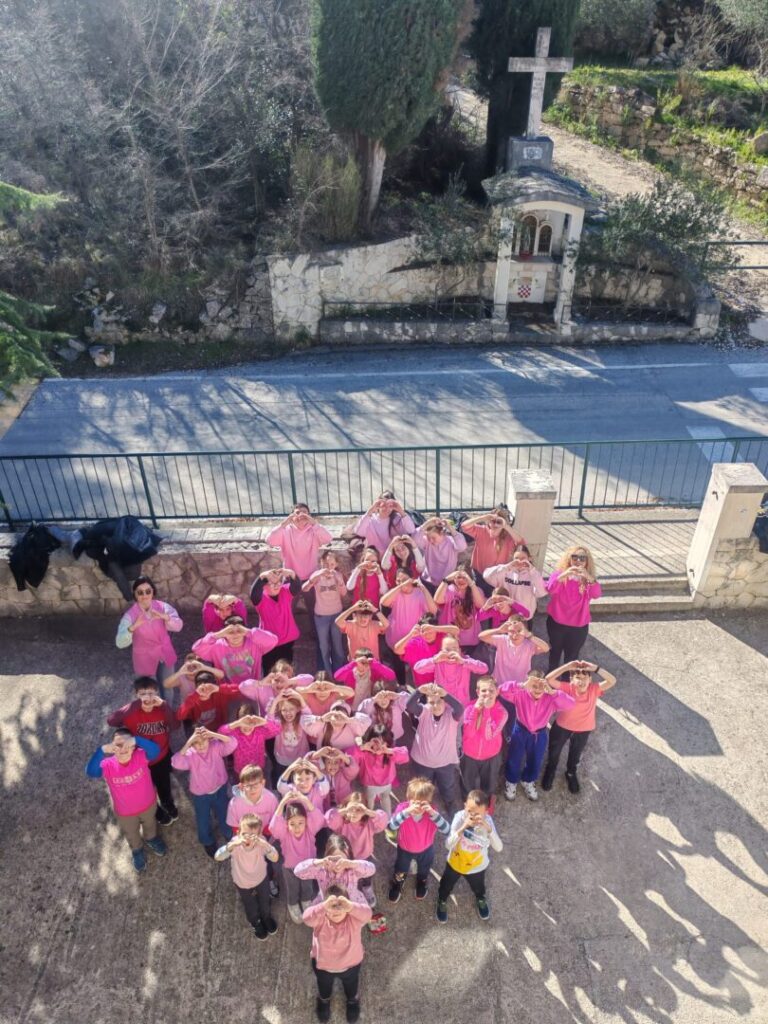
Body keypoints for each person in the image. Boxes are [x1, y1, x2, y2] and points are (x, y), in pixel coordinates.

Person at [85, 728, 168, 872]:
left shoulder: (141, 755)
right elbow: (91, 772)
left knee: (150, 824)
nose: (123, 748)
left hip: (148, 805)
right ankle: (136, 849)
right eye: (118, 744)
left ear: (134, 746)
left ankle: (151, 838)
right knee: (131, 833)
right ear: (112, 747)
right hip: (125, 813)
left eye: (128, 743)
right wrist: (102, 750)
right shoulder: (108, 764)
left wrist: (136, 740)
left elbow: (155, 751)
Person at [107, 676, 179, 826]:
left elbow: (175, 725)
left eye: (151, 693)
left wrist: (164, 705)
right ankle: (157, 812)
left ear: (157, 693)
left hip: (162, 756)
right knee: (146, 790)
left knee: (164, 784)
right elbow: (111, 721)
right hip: (141, 761)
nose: (147, 698)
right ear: (136, 695)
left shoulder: (162, 709)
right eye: (142, 694)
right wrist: (135, 704)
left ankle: (168, 803)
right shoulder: (131, 711)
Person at [499, 671, 575, 803]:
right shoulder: (520, 693)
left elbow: (570, 704)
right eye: (534, 685)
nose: (538, 689)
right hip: (520, 730)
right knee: (514, 758)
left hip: (539, 734)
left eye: (541, 686)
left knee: (536, 759)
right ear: (528, 684)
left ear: (546, 685)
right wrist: (522, 685)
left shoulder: (551, 698)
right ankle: (511, 781)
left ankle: (528, 780)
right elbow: (501, 690)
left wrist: (553, 692)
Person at [542, 659, 617, 793]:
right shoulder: (567, 688)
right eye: (578, 678)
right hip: (562, 727)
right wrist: (567, 666)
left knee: (575, 754)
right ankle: (550, 770)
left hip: (583, 730)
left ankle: (571, 773)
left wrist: (596, 668)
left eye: (585, 678)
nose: (581, 681)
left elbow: (612, 681)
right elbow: (548, 679)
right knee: (554, 752)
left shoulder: (594, 689)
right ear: (572, 679)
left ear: (590, 680)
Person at [302, 885, 372, 1024]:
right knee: (324, 986)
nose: (336, 910)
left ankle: (352, 1000)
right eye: (331, 906)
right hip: (323, 967)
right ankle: (324, 1000)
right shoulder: (320, 919)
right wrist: (323, 907)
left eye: (341, 906)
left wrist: (351, 906)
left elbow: (367, 914)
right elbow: (306, 918)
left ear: (348, 908)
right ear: (325, 908)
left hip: (351, 966)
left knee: (351, 985)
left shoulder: (354, 920)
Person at [436, 789, 503, 924]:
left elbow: (499, 847)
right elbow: (448, 845)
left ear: (486, 812)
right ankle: (442, 900)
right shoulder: (459, 817)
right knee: (445, 885)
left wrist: (489, 830)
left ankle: (480, 898)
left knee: (479, 887)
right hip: (455, 863)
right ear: (465, 805)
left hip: (476, 866)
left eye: (478, 814)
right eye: (469, 811)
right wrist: (462, 827)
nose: (472, 816)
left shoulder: (488, 821)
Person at [171, 725, 237, 857]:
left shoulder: (216, 746)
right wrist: (188, 743)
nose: (201, 745)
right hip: (201, 795)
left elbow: (232, 743)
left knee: (224, 813)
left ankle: (228, 833)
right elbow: (175, 762)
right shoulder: (190, 754)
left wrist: (213, 734)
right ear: (191, 743)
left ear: (209, 739)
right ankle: (207, 841)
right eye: (196, 742)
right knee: (203, 820)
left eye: (204, 740)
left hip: (220, 789)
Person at [215, 813, 280, 940]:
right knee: (250, 904)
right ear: (238, 833)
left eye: (253, 835)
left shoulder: (261, 843)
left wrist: (265, 845)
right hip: (242, 882)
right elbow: (218, 857)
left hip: (261, 878)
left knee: (265, 900)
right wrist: (231, 846)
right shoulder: (235, 845)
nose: (248, 839)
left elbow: (275, 858)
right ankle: (255, 922)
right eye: (244, 834)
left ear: (259, 836)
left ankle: (266, 917)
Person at [387, 777, 451, 904]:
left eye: (423, 803)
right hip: (404, 849)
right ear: (408, 799)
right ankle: (397, 885)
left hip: (426, 849)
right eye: (415, 802)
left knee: (424, 868)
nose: (419, 806)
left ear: (429, 801)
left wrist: (433, 814)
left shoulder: (432, 813)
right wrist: (406, 812)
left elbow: (447, 830)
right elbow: (391, 826)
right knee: (401, 868)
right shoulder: (402, 809)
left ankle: (421, 882)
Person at [115, 576, 183, 695]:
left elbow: (178, 626)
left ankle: (168, 707)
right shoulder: (129, 616)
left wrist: (166, 617)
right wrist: (133, 627)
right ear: (135, 594)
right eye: (140, 592)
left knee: (168, 687)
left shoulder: (163, 607)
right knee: (149, 692)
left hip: (165, 653)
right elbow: (120, 643)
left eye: (148, 591)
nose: (145, 595)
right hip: (144, 658)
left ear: (153, 592)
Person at [269, 788, 326, 923]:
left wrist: (305, 800)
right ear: (286, 824)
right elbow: (273, 827)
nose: (297, 827)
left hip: (308, 866)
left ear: (306, 821)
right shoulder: (284, 833)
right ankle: (293, 904)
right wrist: (282, 803)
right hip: (290, 868)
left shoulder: (310, 830)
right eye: (292, 824)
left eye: (301, 823)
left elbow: (318, 819)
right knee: (292, 887)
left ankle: (306, 901)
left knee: (307, 886)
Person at [406, 683, 464, 815]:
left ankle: (449, 803)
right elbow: (410, 706)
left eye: (439, 701)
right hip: (422, 762)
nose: (435, 705)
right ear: (427, 703)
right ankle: (424, 805)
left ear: (445, 702)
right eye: (431, 702)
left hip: (445, 763)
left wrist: (445, 694)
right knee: (424, 786)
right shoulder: (424, 711)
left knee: (447, 786)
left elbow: (459, 708)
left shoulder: (452, 715)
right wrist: (419, 690)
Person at [325, 792, 388, 908]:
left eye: (358, 810)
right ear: (345, 808)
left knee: (366, 875)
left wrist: (368, 812)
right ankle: (349, 890)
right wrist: (344, 811)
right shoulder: (341, 822)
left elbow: (383, 820)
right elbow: (329, 819)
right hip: (345, 857)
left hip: (364, 856)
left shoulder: (369, 822)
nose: (354, 813)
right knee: (346, 876)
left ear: (364, 811)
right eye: (351, 809)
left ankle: (367, 887)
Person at [545, 546, 602, 671]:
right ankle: (551, 676)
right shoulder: (559, 575)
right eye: (574, 557)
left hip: (578, 626)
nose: (578, 561)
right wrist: (564, 575)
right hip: (557, 622)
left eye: (582, 558)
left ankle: (566, 679)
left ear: (587, 562)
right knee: (554, 652)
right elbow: (550, 589)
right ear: (569, 559)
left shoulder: (588, 580)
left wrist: (589, 578)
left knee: (572, 657)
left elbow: (596, 594)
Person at [460, 677, 508, 811]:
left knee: (489, 784)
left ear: (497, 692)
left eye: (491, 690)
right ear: (477, 692)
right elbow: (469, 733)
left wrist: (486, 711)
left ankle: (486, 805)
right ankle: (469, 804)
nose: (487, 694)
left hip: (491, 756)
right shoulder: (469, 707)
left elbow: (489, 736)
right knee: (467, 783)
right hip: (469, 754)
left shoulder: (502, 712)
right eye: (484, 690)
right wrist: (476, 710)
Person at [294, 833, 375, 905]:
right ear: (327, 857)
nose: (337, 864)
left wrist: (351, 864)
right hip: (327, 906)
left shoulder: (352, 869)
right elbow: (298, 872)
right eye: (334, 859)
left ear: (348, 858)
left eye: (342, 860)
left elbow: (372, 869)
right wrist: (319, 862)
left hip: (352, 904)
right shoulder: (321, 870)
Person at [192, 616, 278, 683]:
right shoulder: (216, 646)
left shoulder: (255, 643)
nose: (235, 635)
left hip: (252, 689)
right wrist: (218, 634)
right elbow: (196, 648)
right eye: (230, 632)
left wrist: (249, 632)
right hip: (226, 691)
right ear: (224, 633)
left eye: (239, 631)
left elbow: (273, 640)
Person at [302, 550, 348, 675]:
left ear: (336, 564)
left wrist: (340, 581)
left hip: (337, 615)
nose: (329, 567)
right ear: (321, 562)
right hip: (321, 616)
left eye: (332, 564)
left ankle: (339, 672)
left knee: (337, 645)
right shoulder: (316, 575)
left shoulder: (338, 575)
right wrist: (314, 579)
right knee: (323, 646)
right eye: (326, 564)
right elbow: (304, 589)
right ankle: (326, 674)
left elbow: (344, 593)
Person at [461, 507, 524, 596]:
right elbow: (464, 526)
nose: (495, 524)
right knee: (479, 596)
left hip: (497, 575)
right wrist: (483, 518)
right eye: (492, 521)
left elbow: (521, 542)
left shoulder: (508, 537)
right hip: (479, 573)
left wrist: (506, 526)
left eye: (498, 522)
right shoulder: (482, 530)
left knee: (494, 598)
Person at [265, 504, 333, 584]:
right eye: (297, 513)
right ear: (292, 516)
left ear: (309, 516)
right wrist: (284, 524)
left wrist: (314, 523)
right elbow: (269, 540)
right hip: (290, 577)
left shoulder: (314, 530)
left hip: (311, 577)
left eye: (304, 512)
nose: (301, 515)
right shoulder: (285, 530)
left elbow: (328, 538)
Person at [250, 567, 302, 670]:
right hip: (269, 643)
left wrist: (292, 574)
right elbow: (254, 594)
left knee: (286, 670)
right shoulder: (260, 598)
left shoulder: (285, 591)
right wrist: (262, 577)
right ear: (264, 586)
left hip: (287, 641)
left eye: (279, 582)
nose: (277, 585)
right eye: (273, 583)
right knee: (269, 670)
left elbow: (296, 587)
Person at [351, 723, 409, 814]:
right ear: (369, 741)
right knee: (370, 801)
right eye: (375, 742)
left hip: (385, 784)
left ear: (388, 743)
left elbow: (405, 755)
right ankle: (369, 815)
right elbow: (349, 757)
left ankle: (388, 817)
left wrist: (389, 751)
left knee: (384, 798)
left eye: (383, 742)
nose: (379, 746)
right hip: (371, 785)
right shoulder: (365, 753)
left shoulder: (389, 754)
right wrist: (362, 748)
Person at [413, 635, 489, 705]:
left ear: (459, 650)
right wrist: (434, 660)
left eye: (454, 649)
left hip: (461, 703)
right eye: (447, 649)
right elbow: (417, 668)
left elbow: (484, 669)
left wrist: (463, 661)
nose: (451, 652)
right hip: (441, 704)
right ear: (441, 651)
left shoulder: (464, 660)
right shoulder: (438, 661)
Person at [478, 615, 550, 688]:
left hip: (521, 686)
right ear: (507, 631)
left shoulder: (529, 644)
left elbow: (546, 648)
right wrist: (499, 630)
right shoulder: (502, 640)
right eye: (512, 631)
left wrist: (529, 635)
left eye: (519, 631)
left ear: (525, 631)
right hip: (500, 684)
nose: (515, 635)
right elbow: (481, 636)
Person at [380, 569, 437, 659]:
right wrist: (400, 586)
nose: (402, 583)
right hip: (394, 639)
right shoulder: (396, 592)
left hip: (413, 639)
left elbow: (433, 610)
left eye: (405, 579)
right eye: (398, 580)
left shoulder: (420, 593)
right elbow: (383, 602)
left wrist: (423, 588)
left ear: (412, 579)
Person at [482, 544, 547, 621]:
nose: (520, 561)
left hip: (524, 617)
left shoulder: (533, 575)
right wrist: (507, 567)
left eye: (523, 558)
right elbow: (486, 576)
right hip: (504, 616)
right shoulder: (505, 571)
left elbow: (541, 593)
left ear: (529, 558)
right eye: (516, 558)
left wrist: (532, 570)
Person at [393, 616, 459, 686]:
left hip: (444, 684)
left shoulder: (442, 637)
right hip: (423, 686)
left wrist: (434, 628)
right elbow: (397, 650)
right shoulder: (415, 642)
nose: (427, 635)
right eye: (424, 632)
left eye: (430, 632)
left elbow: (456, 630)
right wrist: (410, 634)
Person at [220, 704, 281, 777]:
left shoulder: (260, 731)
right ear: (239, 722)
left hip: (258, 768)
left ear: (255, 723)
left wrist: (264, 722)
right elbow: (220, 732)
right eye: (244, 724)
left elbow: (278, 730)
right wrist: (237, 724)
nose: (247, 727)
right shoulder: (235, 732)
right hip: (241, 770)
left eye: (250, 724)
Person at [434, 568, 486, 651]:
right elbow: (437, 600)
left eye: (464, 577)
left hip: (470, 641)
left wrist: (471, 584)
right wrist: (446, 580)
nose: (461, 580)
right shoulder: (450, 590)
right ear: (453, 578)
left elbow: (481, 605)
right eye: (458, 577)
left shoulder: (476, 590)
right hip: (451, 640)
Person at [353, 491, 415, 555]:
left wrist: (401, 511)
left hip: (392, 556)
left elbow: (411, 530)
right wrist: (371, 509)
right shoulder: (370, 519)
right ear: (378, 504)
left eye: (390, 506)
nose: (386, 508)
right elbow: (359, 532)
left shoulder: (397, 518)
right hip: (374, 555)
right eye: (383, 505)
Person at [177, 671, 241, 732]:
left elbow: (241, 689)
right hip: (203, 735)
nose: (205, 691)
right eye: (202, 689)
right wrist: (195, 695)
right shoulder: (192, 699)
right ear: (196, 687)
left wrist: (219, 688)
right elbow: (180, 716)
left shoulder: (220, 694)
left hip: (221, 730)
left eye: (209, 688)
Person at [414, 516, 468, 588]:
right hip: (428, 580)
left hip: (446, 582)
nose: (431, 540)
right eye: (428, 538)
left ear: (442, 533)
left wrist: (450, 528)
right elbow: (415, 539)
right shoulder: (427, 542)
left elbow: (462, 546)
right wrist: (427, 523)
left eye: (433, 538)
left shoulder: (451, 541)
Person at [226, 764, 279, 834]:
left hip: (264, 833)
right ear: (241, 786)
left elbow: (275, 820)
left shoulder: (271, 799)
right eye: (248, 785)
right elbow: (235, 827)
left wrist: (265, 832)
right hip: (244, 836)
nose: (252, 789)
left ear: (263, 783)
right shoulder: (234, 803)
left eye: (256, 784)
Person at [301, 701, 371, 752]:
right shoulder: (323, 725)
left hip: (346, 762)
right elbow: (303, 721)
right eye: (336, 716)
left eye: (342, 718)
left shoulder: (351, 726)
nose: (338, 721)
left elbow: (367, 721)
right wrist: (321, 719)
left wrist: (349, 720)